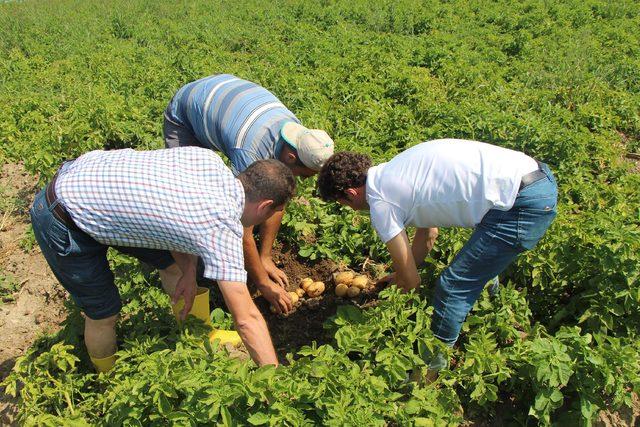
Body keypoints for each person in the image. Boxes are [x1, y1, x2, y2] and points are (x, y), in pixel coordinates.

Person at [30, 147, 296, 372]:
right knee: (103, 313)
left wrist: (189, 272)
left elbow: (178, 220)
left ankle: (198, 336)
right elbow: (246, 318)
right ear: (264, 206)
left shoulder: (208, 161)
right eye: (272, 213)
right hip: (63, 214)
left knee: (174, 268)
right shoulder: (220, 225)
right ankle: (108, 381)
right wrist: (272, 383)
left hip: (92, 183)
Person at [316, 139, 558, 368]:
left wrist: (391, 307)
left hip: (521, 206)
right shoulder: (397, 170)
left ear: (350, 193)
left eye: (344, 204)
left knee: (453, 286)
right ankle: (490, 309)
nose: (351, 209)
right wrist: (400, 271)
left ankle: (431, 372)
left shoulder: (381, 204)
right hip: (534, 177)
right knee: (479, 262)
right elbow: (429, 234)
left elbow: (412, 283)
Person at [163, 74, 334, 314]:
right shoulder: (250, 150)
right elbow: (240, 223)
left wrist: (264, 257)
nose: (303, 180)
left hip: (225, 100)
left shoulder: (297, 135)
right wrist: (263, 284)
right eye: (303, 175)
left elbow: (278, 198)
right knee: (192, 198)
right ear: (290, 157)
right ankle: (191, 268)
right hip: (188, 113)